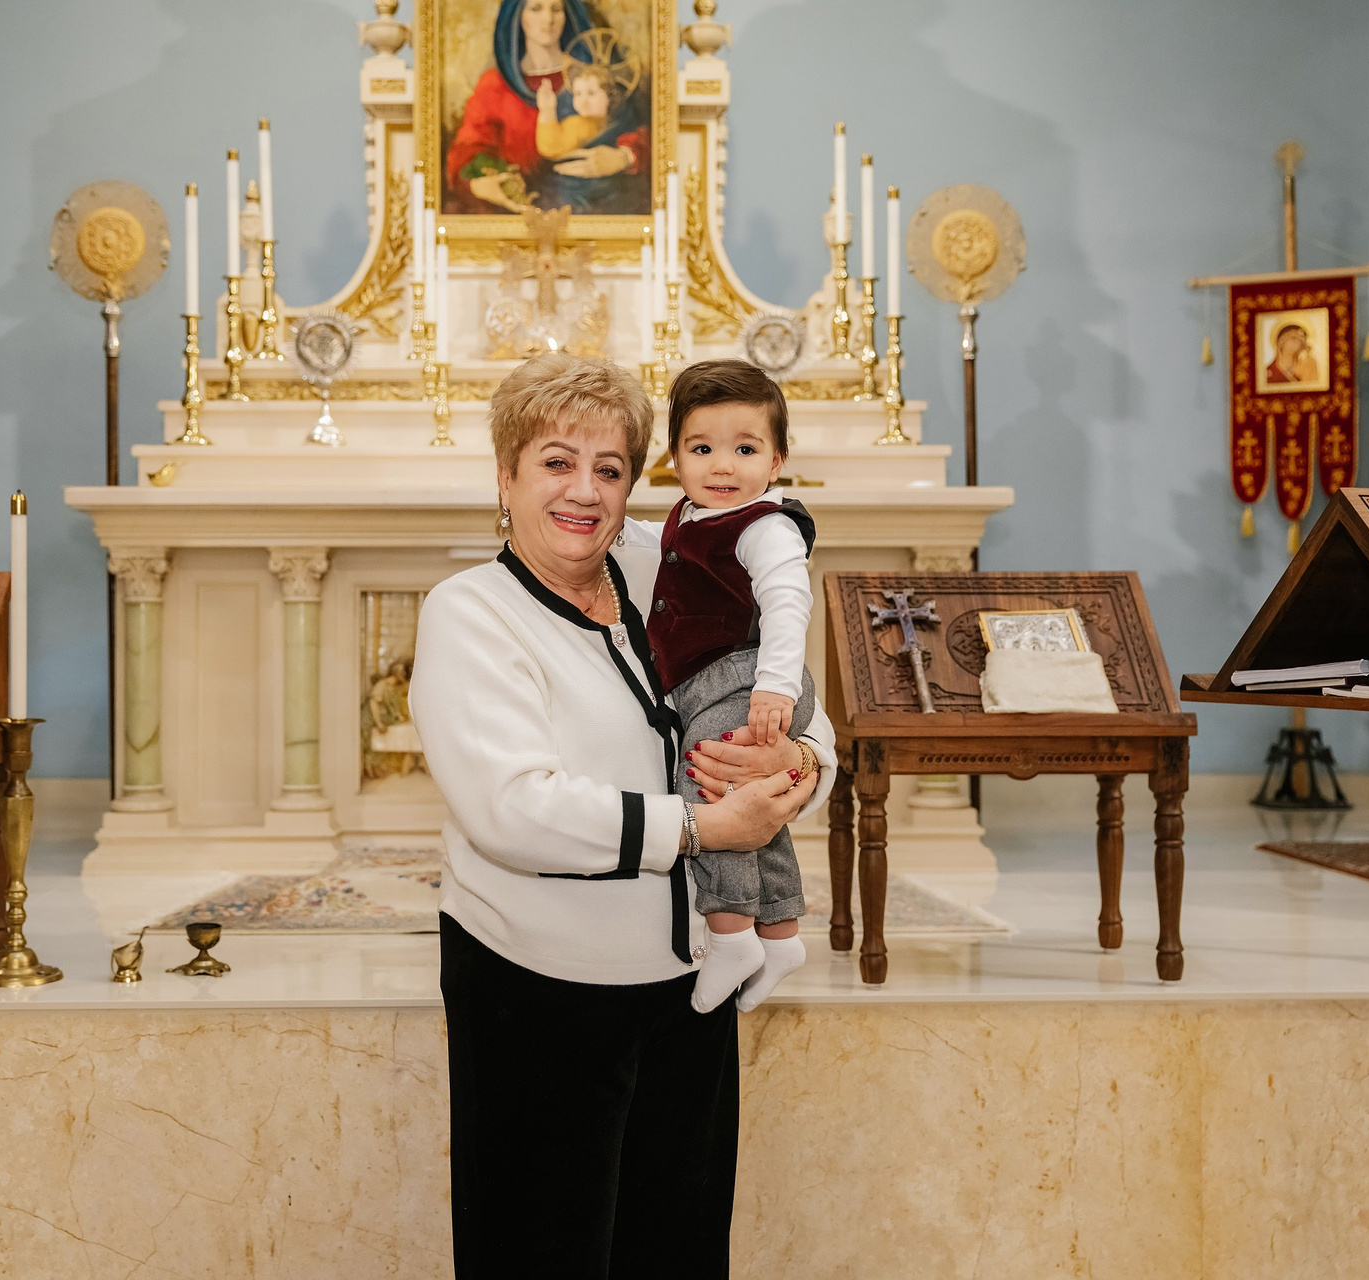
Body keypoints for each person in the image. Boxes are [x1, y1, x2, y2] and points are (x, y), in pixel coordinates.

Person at [409, 352, 836, 1277]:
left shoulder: (672, 563)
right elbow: (511, 809)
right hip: (538, 995)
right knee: (542, 1255)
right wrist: (703, 829)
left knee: (679, 1252)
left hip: (692, 988)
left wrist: (797, 762)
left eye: (609, 468)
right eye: (556, 463)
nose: (584, 491)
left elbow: (798, 705)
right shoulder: (469, 612)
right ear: (506, 476)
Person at [649, 359, 817, 1014]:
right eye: (702, 449)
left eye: (745, 449)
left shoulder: (764, 526)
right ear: (673, 458)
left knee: (708, 785)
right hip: (725, 680)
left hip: (745, 677)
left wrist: (774, 688)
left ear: (777, 460)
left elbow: (787, 601)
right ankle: (780, 934)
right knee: (754, 801)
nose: (723, 466)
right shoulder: (692, 518)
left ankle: (730, 936)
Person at [444, 0, 647, 214]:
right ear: (517, 16)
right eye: (536, 8)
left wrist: (624, 157)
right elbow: (467, 150)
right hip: (519, 216)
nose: (548, 19)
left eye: (556, 9)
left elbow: (643, 129)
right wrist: (480, 184)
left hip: (595, 211)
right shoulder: (495, 86)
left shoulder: (596, 74)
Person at [535, 64, 614, 160]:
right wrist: (547, 111)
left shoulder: (619, 119)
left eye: (591, 93)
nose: (583, 101)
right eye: (578, 94)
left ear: (610, 95)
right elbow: (550, 147)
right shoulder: (576, 124)